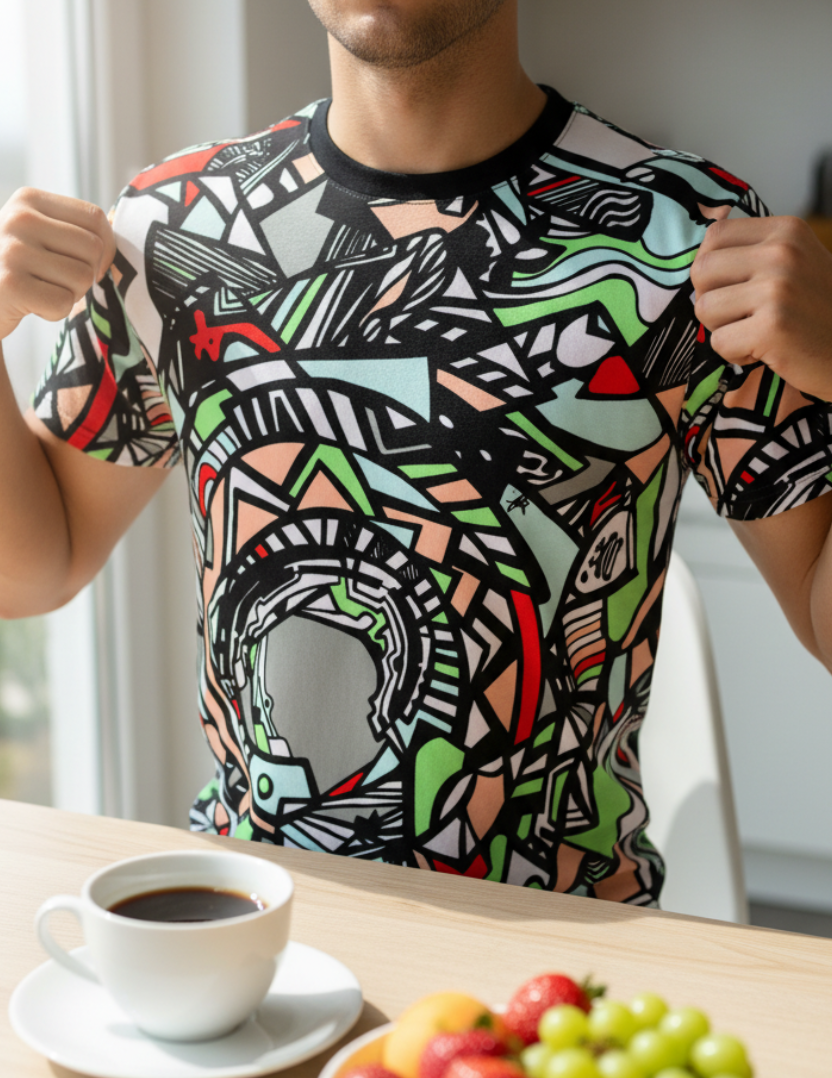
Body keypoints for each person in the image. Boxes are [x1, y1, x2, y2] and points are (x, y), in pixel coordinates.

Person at [1, 0, 831, 904]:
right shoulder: (175, 229)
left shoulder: (686, 240)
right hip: (250, 926)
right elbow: (35, 569)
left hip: (558, 958)